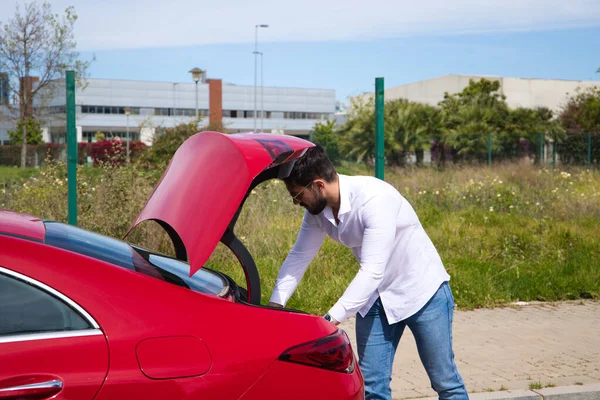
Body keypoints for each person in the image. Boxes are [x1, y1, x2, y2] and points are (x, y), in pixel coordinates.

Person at [268, 145, 469, 400]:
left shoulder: (374, 198)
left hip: (422, 292)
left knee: (445, 383)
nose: (298, 204)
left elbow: (372, 270)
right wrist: (275, 306)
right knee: (372, 389)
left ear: (318, 185)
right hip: (375, 299)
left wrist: (329, 320)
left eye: (298, 197)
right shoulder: (318, 212)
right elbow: (299, 257)